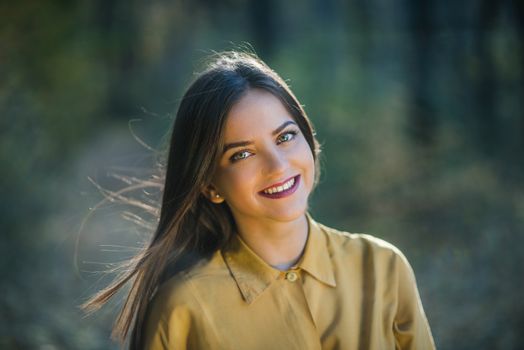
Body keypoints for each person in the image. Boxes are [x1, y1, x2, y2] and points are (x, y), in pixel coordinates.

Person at [84, 51, 435, 349]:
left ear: (309, 140)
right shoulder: (182, 307)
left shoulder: (384, 267)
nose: (277, 166)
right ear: (209, 185)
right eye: (242, 155)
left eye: (285, 137)